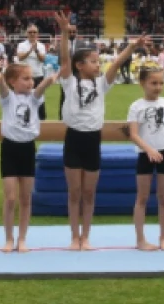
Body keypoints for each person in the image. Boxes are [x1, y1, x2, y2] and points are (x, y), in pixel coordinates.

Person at [55, 21, 140, 251]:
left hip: (93, 140)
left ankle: (86, 236)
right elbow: (64, 59)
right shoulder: (69, 82)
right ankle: (74, 237)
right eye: (93, 61)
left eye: (97, 61)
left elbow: (116, 63)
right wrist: (64, 33)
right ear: (79, 65)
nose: (97, 64)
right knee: (74, 192)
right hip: (73, 138)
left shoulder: (101, 85)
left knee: (89, 192)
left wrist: (132, 47)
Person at [0, 58, 55, 253]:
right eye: (25, 78)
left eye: (31, 79)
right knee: (10, 198)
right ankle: (8, 238)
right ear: (13, 81)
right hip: (10, 149)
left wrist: (51, 77)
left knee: (25, 198)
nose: (31, 82)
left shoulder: (34, 99)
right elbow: (2, 86)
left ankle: (22, 239)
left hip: (28, 149)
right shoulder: (8, 98)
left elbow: (41, 88)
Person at [127, 61, 164, 251]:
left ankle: (163, 237)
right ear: (142, 83)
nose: (158, 87)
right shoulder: (136, 106)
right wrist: (149, 150)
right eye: (154, 83)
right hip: (146, 155)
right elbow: (133, 134)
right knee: (142, 197)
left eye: (161, 83)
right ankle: (140, 239)